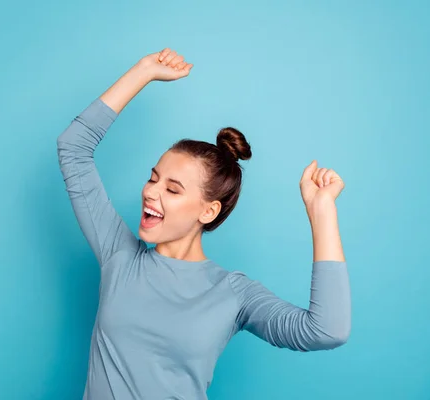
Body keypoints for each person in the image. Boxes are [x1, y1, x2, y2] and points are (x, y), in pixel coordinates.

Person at [57, 48, 351, 399]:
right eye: (153, 179)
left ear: (208, 211)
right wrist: (144, 71)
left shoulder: (234, 293)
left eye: (172, 189)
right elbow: (73, 148)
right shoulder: (119, 256)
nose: (151, 193)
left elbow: (326, 330)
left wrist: (322, 212)